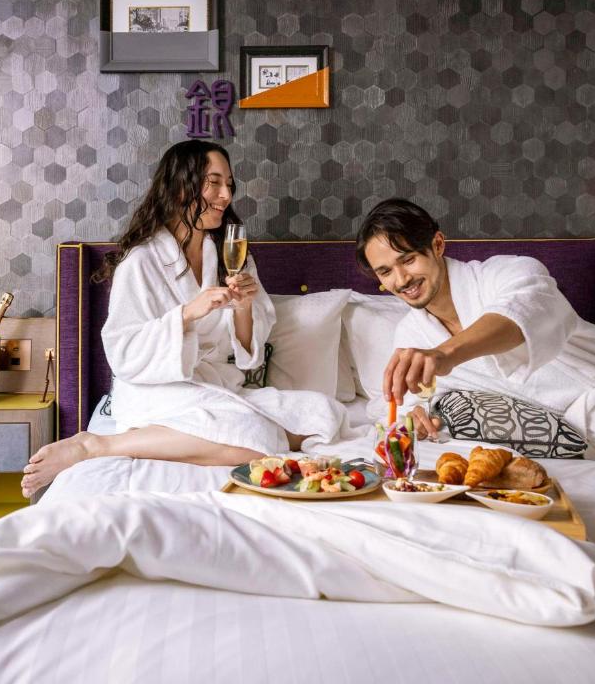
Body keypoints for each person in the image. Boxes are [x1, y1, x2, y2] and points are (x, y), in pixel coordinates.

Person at [21, 140, 351, 497]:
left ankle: (186, 434)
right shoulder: (141, 263)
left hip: (216, 387)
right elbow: (123, 351)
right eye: (214, 183)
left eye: (229, 184)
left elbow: (248, 353)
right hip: (158, 390)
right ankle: (97, 445)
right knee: (260, 440)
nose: (226, 195)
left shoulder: (230, 254)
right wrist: (188, 314)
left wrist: (243, 307)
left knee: (323, 414)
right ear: (182, 187)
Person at [356, 198, 595, 469]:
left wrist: (446, 354)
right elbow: (408, 402)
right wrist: (414, 412)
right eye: (385, 272)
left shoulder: (509, 273)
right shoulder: (411, 334)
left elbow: (523, 313)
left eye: (409, 260)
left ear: (438, 244)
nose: (401, 280)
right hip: (580, 445)